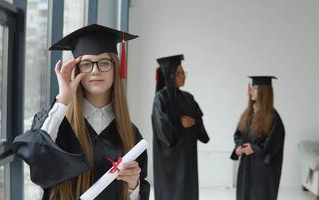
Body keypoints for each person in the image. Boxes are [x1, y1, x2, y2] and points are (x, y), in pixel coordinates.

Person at [13, 24, 150, 200]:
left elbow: (138, 194)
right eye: (86, 64)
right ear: (76, 70)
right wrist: (63, 98)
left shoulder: (130, 133)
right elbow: (34, 152)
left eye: (104, 63)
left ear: (115, 68)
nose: (95, 70)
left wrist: (133, 186)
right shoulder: (58, 125)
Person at [151, 54, 210, 200]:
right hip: (169, 160)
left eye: (184, 73)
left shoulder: (188, 97)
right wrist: (180, 124)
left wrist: (194, 123)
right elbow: (162, 129)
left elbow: (199, 124)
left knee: (188, 190)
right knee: (172, 192)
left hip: (188, 155)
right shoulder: (161, 98)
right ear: (170, 75)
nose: (183, 76)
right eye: (179, 73)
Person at [230, 76, 285, 200]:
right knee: (245, 194)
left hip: (262, 169)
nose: (251, 92)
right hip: (246, 164)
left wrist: (254, 148)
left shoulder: (273, 117)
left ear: (264, 92)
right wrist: (238, 147)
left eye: (255, 89)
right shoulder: (248, 113)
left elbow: (274, 144)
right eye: (252, 88)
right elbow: (238, 134)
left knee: (259, 195)